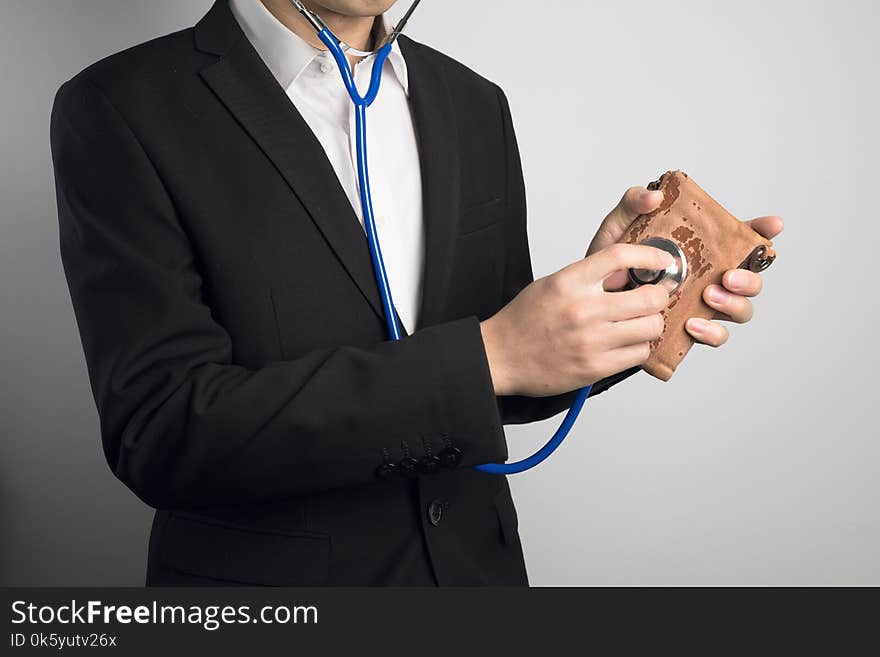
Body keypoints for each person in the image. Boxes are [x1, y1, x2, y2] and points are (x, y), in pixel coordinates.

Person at [50, 0, 783, 586]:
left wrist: (609, 303)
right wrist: (491, 356)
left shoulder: (473, 103)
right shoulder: (121, 106)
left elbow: (501, 379)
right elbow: (163, 433)